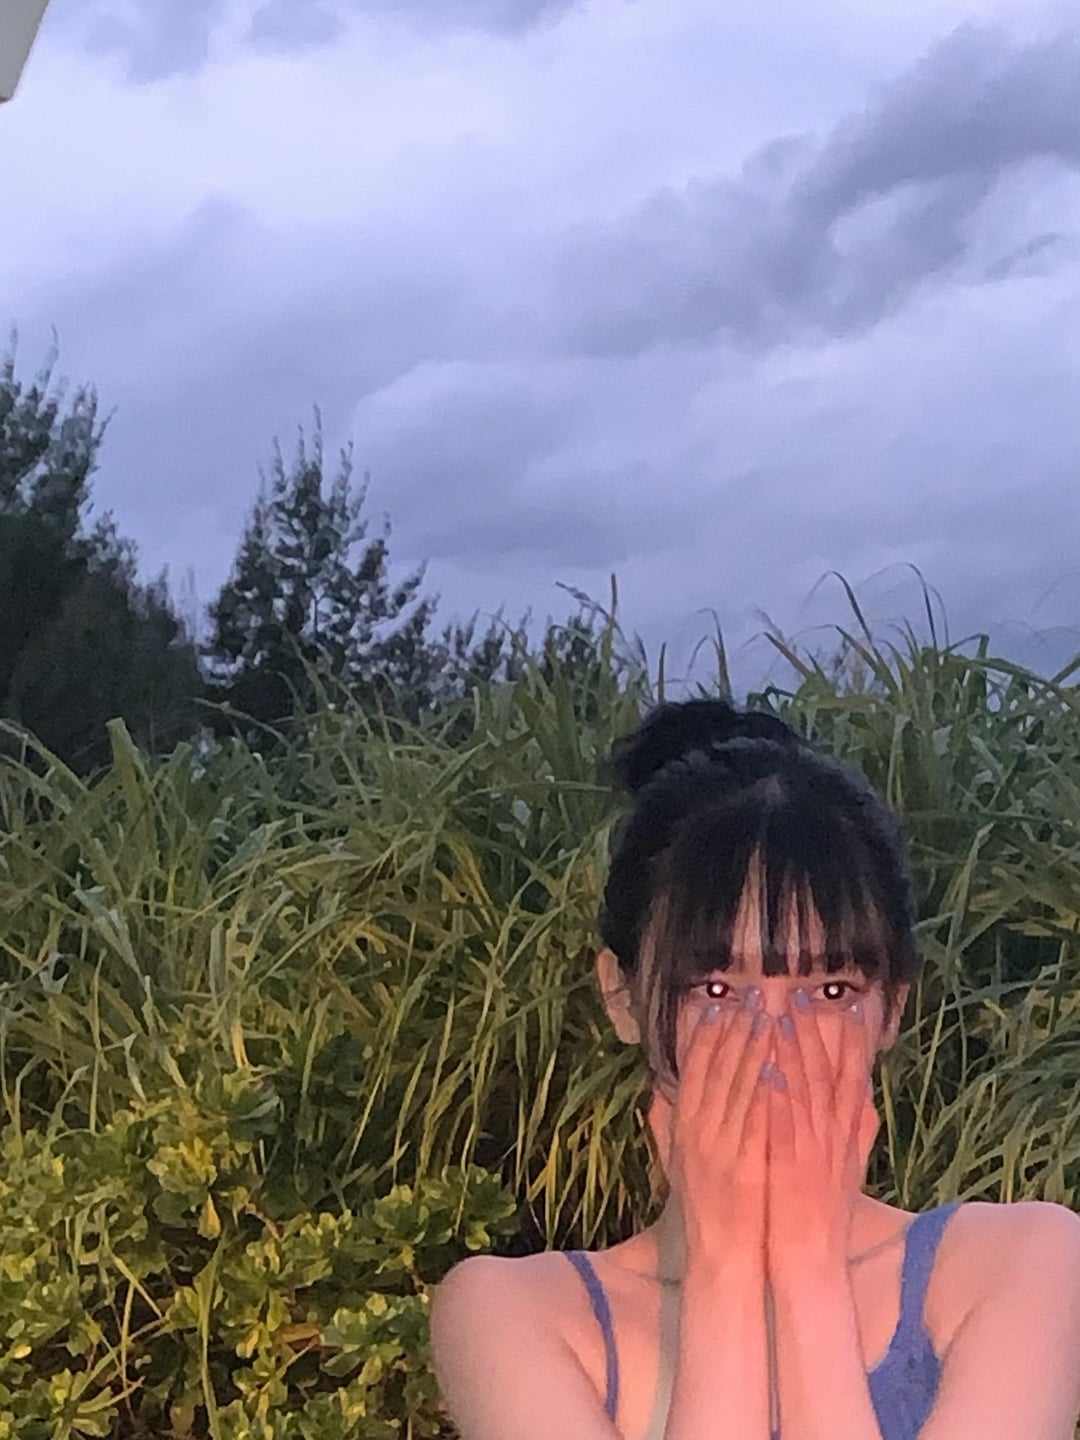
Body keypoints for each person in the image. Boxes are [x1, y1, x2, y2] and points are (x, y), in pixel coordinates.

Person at [430, 698, 1080, 1440]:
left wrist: (805, 1265)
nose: (772, 1040)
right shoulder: (520, 1314)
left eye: (829, 991)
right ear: (621, 996)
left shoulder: (1023, 1262)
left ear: (893, 1007)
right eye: (716, 990)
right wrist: (727, 1269)